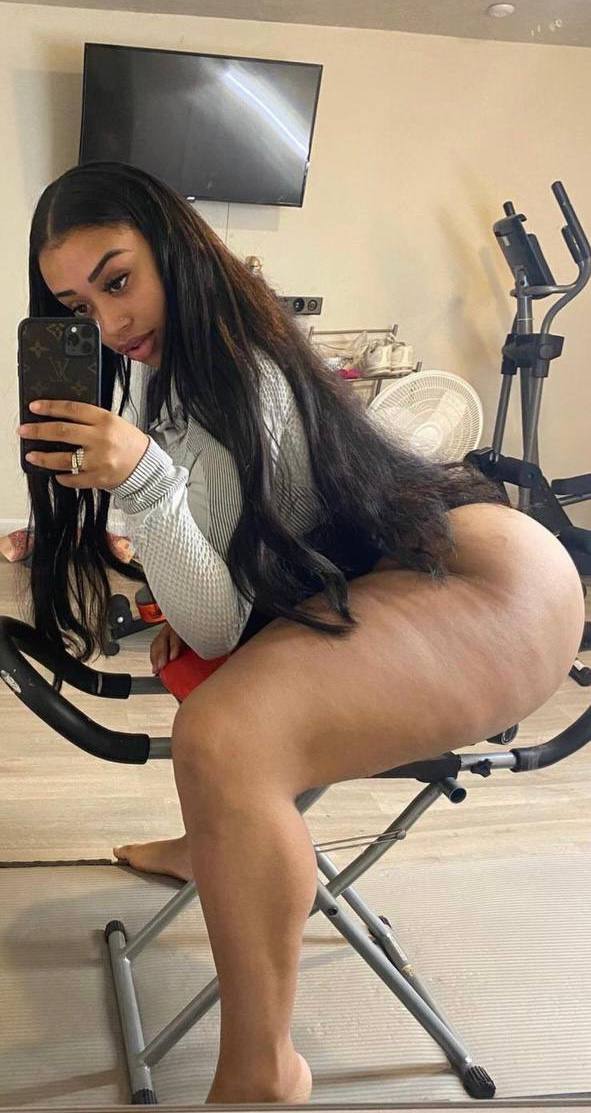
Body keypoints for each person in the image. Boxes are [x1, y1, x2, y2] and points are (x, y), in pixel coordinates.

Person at [21, 161, 584, 1104]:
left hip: (490, 583)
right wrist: (148, 530)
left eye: (117, 281)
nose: (109, 325)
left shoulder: (244, 377)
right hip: (395, 567)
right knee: (227, 700)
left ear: (174, 249)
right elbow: (231, 566)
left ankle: (265, 1068)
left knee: (228, 733)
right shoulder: (181, 366)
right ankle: (214, 838)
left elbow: (220, 616)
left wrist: (147, 485)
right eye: (78, 307)